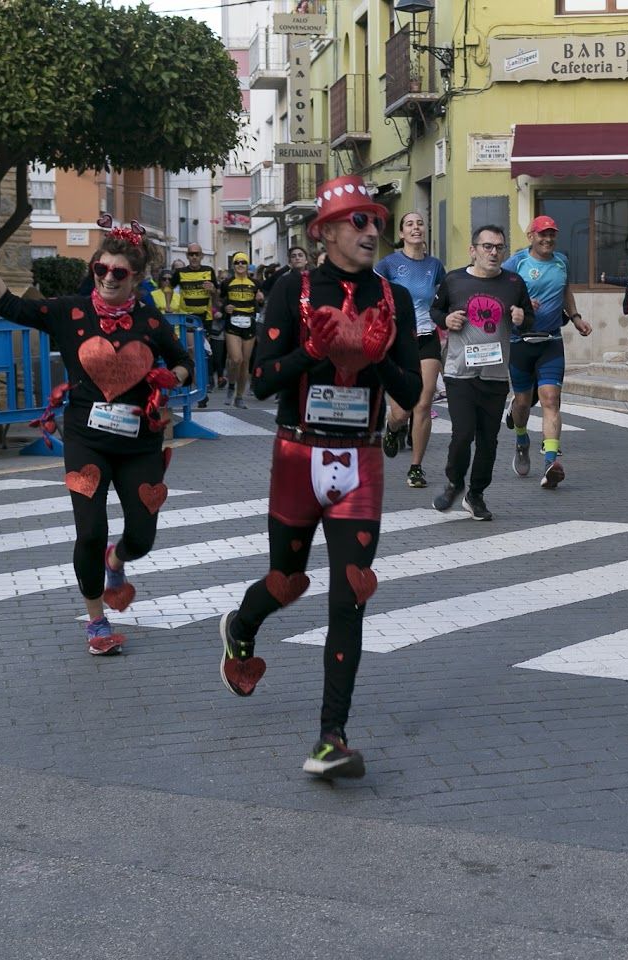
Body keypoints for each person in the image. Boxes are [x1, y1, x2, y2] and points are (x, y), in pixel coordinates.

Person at [216, 174, 421, 780]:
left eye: (377, 221)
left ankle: (331, 736)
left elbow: (410, 391)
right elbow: (264, 381)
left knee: (350, 594)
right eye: (358, 221)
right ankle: (241, 624)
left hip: (360, 460)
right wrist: (315, 350)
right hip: (297, 457)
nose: (372, 231)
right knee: (287, 580)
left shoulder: (394, 299)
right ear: (325, 231)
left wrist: (381, 356)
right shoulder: (292, 289)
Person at [0, 217, 192, 655]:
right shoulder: (70, 313)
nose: (108, 278)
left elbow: (182, 359)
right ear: (93, 268)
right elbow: (8, 305)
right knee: (90, 531)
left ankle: (117, 562)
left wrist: (170, 377)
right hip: (87, 439)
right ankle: (96, 622)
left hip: (140, 444)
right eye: (101, 269)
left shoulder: (151, 322)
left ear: (135, 277)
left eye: (119, 273)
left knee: (142, 536)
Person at [430, 224, 533, 520]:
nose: (494, 252)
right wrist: (446, 319)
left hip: (496, 374)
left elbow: (529, 318)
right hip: (459, 372)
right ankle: (453, 482)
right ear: (473, 250)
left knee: (489, 440)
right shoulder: (454, 280)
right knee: (462, 434)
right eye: (487, 246)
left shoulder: (513, 282)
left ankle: (476, 494)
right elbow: (434, 311)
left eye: (499, 247)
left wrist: (521, 317)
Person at [503, 215, 592, 489]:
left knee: (551, 400)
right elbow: (496, 288)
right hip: (520, 342)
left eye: (552, 234)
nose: (547, 239)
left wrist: (575, 317)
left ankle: (551, 462)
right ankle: (521, 440)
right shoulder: (517, 262)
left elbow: (565, 290)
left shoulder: (561, 261)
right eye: (542, 234)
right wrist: (519, 302)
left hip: (551, 340)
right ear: (531, 235)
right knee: (522, 402)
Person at [376, 211, 447, 489]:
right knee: (402, 411)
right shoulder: (388, 264)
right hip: (397, 341)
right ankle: (393, 428)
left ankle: (416, 467)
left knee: (423, 403)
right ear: (402, 234)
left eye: (419, 224)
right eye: (409, 224)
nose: (416, 228)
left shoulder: (435, 266)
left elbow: (442, 300)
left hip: (427, 337)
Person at [174, 243, 219, 407]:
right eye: (191, 254)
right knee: (194, 354)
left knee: (201, 355)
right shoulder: (180, 273)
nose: (194, 257)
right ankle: (200, 390)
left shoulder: (209, 271)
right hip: (186, 320)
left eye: (197, 254)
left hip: (204, 319)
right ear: (187, 256)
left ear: (201, 256)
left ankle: (200, 389)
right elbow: (168, 289)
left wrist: (213, 289)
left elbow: (217, 298)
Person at [220, 252, 259, 408]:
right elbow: (219, 301)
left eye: (243, 262)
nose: (240, 265)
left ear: (247, 264)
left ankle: (239, 396)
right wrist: (224, 308)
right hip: (232, 324)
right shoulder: (227, 283)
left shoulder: (255, 283)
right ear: (233, 265)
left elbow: (259, 303)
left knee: (245, 362)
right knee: (236, 359)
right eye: (237, 262)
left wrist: (260, 301)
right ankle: (230, 385)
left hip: (249, 324)